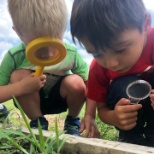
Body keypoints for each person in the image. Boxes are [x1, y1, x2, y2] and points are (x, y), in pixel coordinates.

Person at [70, 0, 154, 146]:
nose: (111, 64)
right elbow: (101, 109)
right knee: (122, 85)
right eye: (97, 54)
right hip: (130, 112)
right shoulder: (98, 69)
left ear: (145, 24)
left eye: (120, 49)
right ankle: (131, 138)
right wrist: (113, 117)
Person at [0, 0, 89, 136]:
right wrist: (21, 87)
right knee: (18, 75)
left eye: (54, 43)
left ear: (64, 27)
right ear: (19, 32)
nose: (47, 54)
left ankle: (72, 121)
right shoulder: (14, 56)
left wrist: (89, 115)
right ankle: (38, 122)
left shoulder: (71, 54)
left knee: (76, 82)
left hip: (60, 100)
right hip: (30, 101)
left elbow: (90, 84)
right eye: (38, 45)